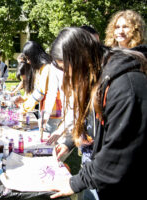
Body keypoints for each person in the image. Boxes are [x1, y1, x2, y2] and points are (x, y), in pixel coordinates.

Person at [47, 27, 147, 200]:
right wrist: (71, 141)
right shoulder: (101, 76)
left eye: (68, 69)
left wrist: (74, 183)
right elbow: (88, 119)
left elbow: (117, 154)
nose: (69, 77)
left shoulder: (124, 86)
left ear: (81, 60)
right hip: (101, 178)